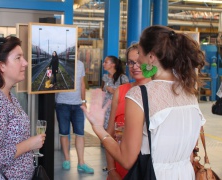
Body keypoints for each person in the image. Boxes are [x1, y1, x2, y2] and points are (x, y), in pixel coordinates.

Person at [81, 25, 206, 179]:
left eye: (140, 53)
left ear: (151, 57)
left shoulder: (140, 94)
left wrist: (98, 128)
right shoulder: (189, 93)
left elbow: (126, 159)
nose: (138, 60)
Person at [0, 36, 46, 179]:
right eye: (18, 58)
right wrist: (29, 144)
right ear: (1, 65)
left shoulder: (8, 95)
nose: (25, 63)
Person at [105, 43, 151, 180]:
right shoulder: (121, 91)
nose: (135, 66)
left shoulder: (158, 92)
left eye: (139, 62)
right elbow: (110, 134)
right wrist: (111, 170)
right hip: (121, 168)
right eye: (131, 62)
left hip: (147, 168)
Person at [55, 59, 94, 174]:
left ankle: (81, 163)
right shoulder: (59, 62)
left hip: (77, 105)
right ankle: (67, 159)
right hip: (62, 104)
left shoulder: (81, 64)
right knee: (64, 132)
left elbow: (82, 83)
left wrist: (83, 101)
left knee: (80, 133)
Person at [101, 56, 129, 130]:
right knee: (104, 132)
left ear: (113, 64)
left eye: (106, 62)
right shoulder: (105, 77)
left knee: (115, 132)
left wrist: (114, 91)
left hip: (115, 109)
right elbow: (102, 92)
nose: (103, 64)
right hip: (105, 109)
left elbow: (126, 95)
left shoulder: (122, 78)